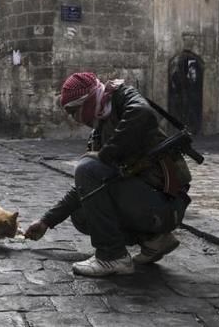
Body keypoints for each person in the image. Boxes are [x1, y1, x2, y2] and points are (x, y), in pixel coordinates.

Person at [24, 72, 192, 277]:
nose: (74, 119)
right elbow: (84, 188)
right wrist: (46, 221)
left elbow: (143, 114)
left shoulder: (122, 96)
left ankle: (112, 256)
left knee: (87, 167)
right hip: (148, 202)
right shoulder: (99, 130)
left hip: (166, 203)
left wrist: (105, 155)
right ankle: (154, 240)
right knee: (82, 214)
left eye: (73, 112)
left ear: (86, 102)